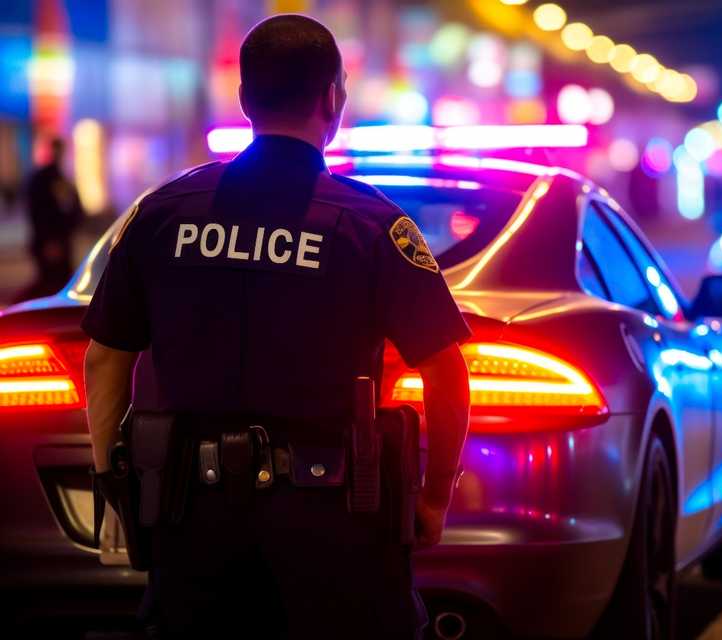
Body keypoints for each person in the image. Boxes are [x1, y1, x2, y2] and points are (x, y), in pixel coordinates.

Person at [83, 14, 471, 639]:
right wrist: (433, 496)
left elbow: (104, 359)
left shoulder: (163, 213)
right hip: (336, 523)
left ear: (243, 100)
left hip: (192, 517)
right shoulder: (369, 224)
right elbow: (445, 371)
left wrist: (117, 484)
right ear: (332, 99)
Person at [18, 137, 83, 301]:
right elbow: (38, 212)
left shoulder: (61, 177)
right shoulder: (43, 178)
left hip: (60, 239)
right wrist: (49, 241)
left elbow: (73, 206)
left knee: (59, 282)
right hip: (50, 240)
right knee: (50, 283)